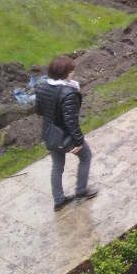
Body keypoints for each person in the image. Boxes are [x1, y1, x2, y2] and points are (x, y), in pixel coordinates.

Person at [35, 55, 98, 211]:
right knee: (86, 156)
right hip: (65, 137)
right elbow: (71, 121)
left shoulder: (41, 87)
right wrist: (78, 141)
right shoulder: (68, 92)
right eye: (71, 70)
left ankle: (59, 200)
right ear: (66, 73)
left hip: (50, 134)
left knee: (57, 166)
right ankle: (81, 191)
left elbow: (38, 110)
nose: (73, 73)